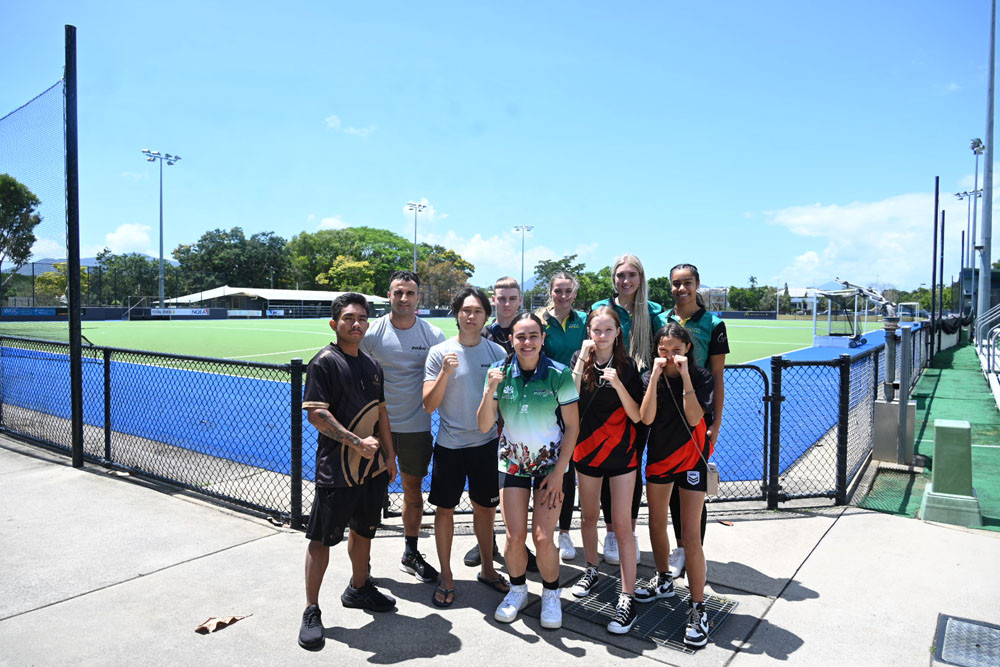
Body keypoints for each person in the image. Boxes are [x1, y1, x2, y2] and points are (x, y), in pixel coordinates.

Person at [298, 293, 398, 651]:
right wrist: (356, 442)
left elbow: (382, 413)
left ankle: (359, 588)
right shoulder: (324, 362)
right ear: (334, 323)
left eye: (361, 319)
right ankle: (311, 609)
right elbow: (316, 414)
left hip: (370, 471)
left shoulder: (372, 365)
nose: (356, 324)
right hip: (336, 472)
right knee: (322, 540)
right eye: (348, 318)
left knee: (364, 532)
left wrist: (390, 456)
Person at [477, 312, 580, 629]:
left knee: (543, 538)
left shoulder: (559, 374)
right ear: (511, 339)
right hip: (512, 464)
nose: (527, 342)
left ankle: (551, 595)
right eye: (520, 336)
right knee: (514, 536)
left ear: (542, 339)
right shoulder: (498, 373)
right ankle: (518, 590)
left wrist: (560, 471)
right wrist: (488, 391)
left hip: (549, 466)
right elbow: (483, 425)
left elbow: (573, 427)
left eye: (533, 335)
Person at [422, 287, 509, 607]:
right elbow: (429, 405)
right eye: (466, 310)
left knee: (486, 509)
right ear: (456, 313)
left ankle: (488, 568)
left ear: (487, 316)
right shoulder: (439, 353)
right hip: (449, 446)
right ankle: (446, 575)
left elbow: (504, 407)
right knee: (444, 511)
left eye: (478, 311)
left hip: (486, 446)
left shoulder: (497, 354)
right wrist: (445, 372)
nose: (471, 316)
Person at [361, 270, 445, 585]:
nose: (404, 298)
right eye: (398, 292)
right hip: (374, 429)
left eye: (410, 293)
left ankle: (410, 552)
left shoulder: (433, 335)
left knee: (413, 492)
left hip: (415, 429)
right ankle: (362, 563)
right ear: (389, 295)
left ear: (418, 297)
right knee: (368, 495)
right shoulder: (372, 333)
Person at [636, 323, 715, 649]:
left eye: (676, 351)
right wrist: (654, 377)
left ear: (687, 350)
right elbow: (647, 418)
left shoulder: (701, 376)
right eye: (664, 351)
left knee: (691, 534)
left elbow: (696, 418)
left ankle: (698, 606)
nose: (670, 357)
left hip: (691, 460)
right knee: (656, 522)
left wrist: (683, 376)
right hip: (659, 459)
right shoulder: (647, 377)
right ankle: (665, 577)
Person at [567, 307, 644, 634]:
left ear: (617, 333)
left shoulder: (628, 366)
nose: (600, 336)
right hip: (586, 452)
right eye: (595, 330)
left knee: (622, 525)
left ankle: (627, 596)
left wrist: (618, 384)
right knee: (587, 516)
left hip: (622, 454)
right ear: (589, 332)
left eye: (607, 330)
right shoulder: (579, 359)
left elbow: (638, 415)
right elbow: (566, 400)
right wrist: (582, 360)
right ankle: (591, 568)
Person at [590, 254, 663, 565]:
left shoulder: (654, 312)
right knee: (604, 466)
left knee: (630, 467)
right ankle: (610, 531)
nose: (626, 280)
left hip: (639, 392)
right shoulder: (601, 309)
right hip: (606, 397)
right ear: (614, 278)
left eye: (632, 274)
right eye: (621, 275)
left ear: (641, 277)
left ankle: (627, 530)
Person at [660, 263, 729, 580]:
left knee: (693, 486)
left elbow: (717, 375)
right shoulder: (663, 319)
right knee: (671, 487)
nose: (681, 288)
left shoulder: (714, 323)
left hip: (698, 415)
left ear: (698, 283)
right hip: (667, 414)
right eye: (676, 283)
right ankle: (680, 548)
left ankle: (693, 549)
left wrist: (715, 422)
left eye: (687, 282)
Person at [468, 276, 538, 572]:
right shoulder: (483, 334)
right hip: (490, 422)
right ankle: (486, 542)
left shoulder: (529, 330)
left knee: (520, 489)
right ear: (493, 301)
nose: (507, 303)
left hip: (522, 424)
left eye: (512, 298)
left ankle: (520, 544)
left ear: (519, 300)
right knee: (487, 488)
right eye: (501, 298)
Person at [537, 271, 587, 562]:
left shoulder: (583, 321)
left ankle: (565, 531)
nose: (563, 296)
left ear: (574, 293)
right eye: (558, 290)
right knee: (543, 465)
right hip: (546, 401)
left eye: (568, 291)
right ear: (551, 291)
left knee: (569, 468)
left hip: (577, 400)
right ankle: (540, 528)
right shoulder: (541, 320)